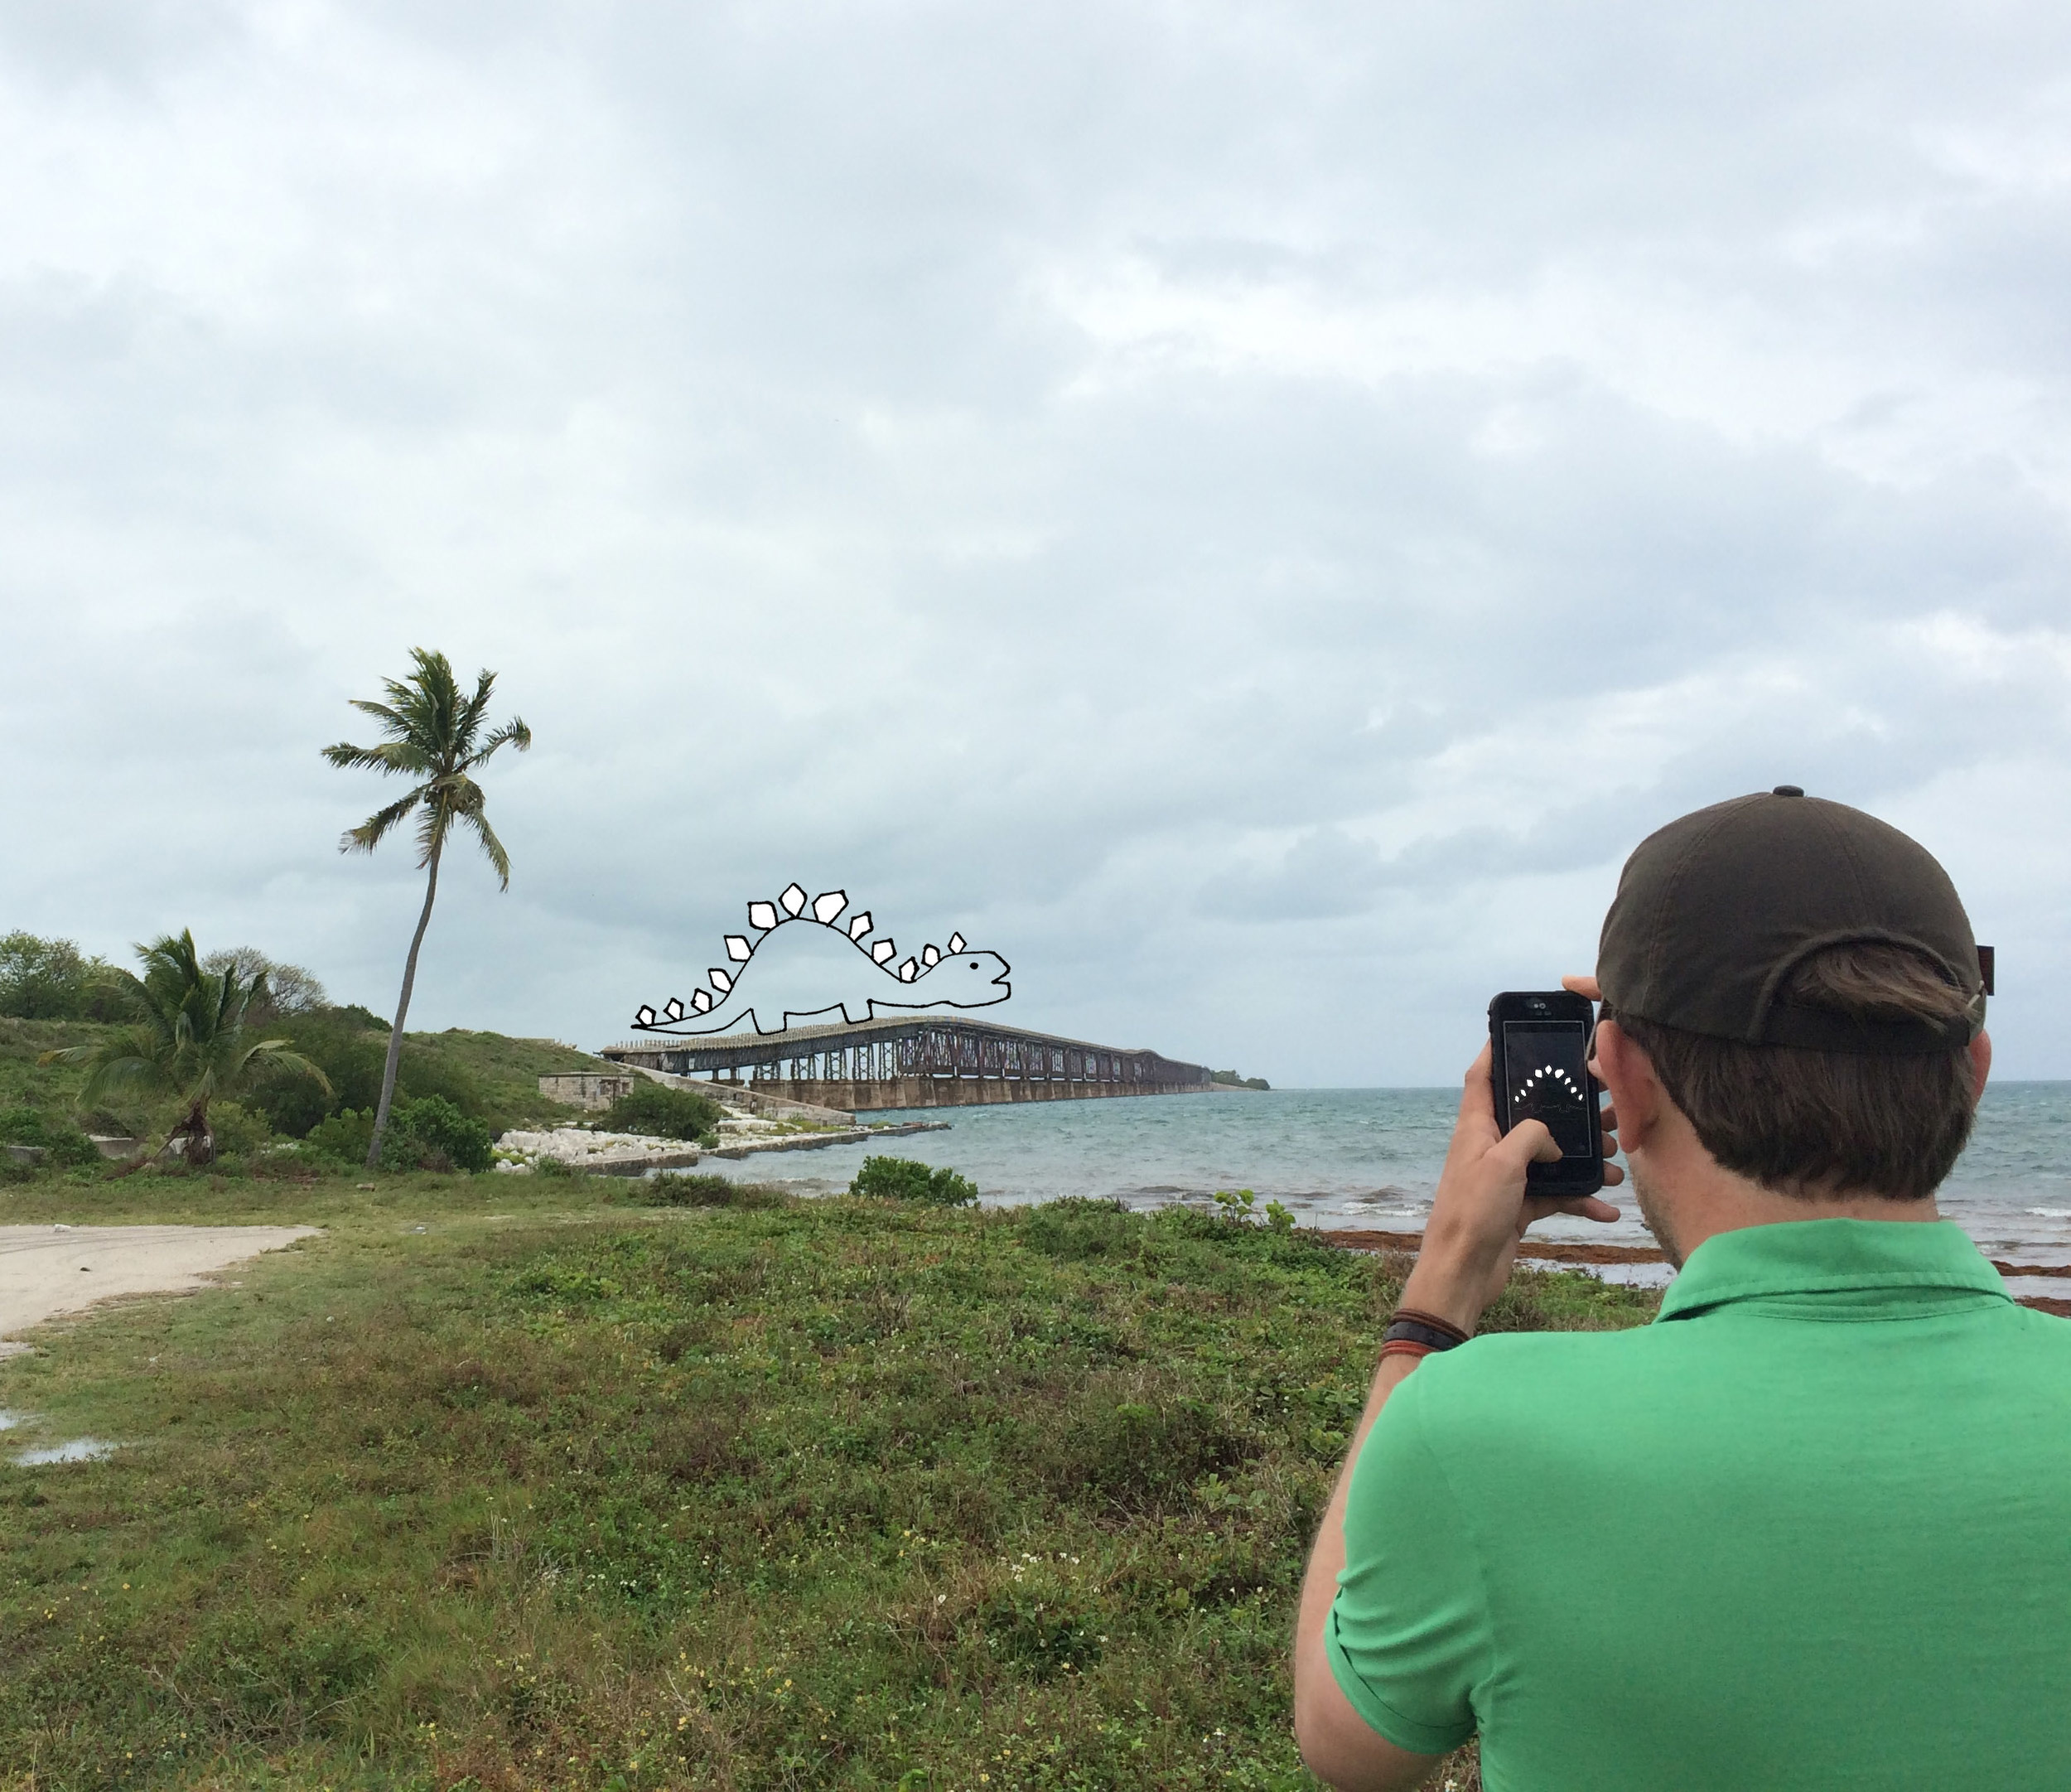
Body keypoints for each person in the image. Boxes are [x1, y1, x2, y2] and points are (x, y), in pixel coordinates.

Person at [1291, 788, 2071, 1791]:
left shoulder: (1476, 1432)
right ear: (1973, 1073)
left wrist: (1433, 1304)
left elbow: (1346, 1749)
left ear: (1619, 1074)